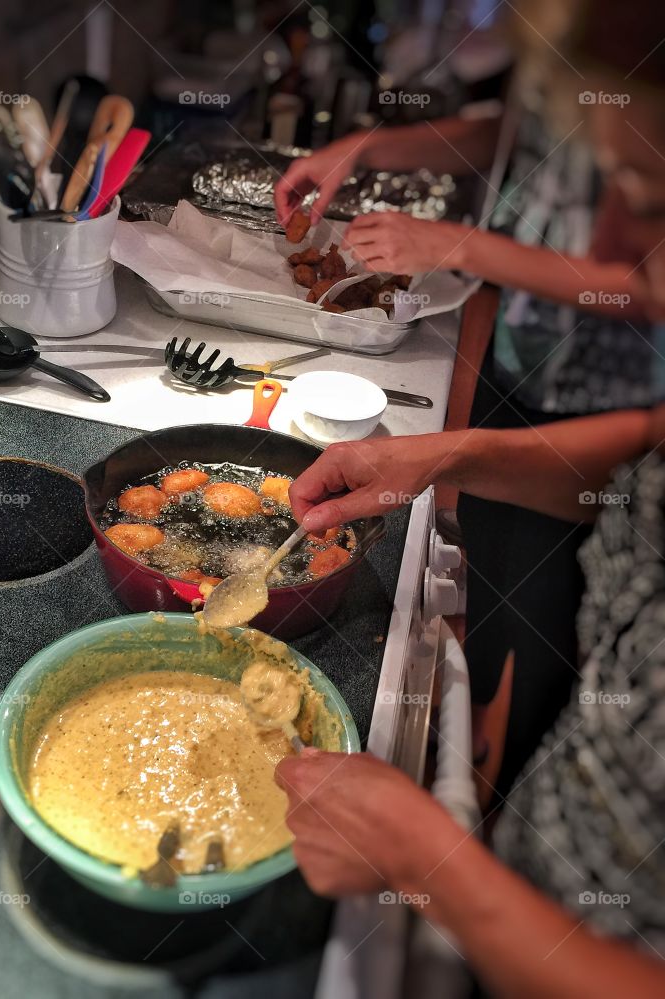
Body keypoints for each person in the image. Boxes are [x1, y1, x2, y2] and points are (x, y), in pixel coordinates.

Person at [276, 3, 665, 991]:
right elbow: (640, 466)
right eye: (614, 180)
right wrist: (443, 459)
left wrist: (429, 863)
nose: (613, 244)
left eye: (656, 202)